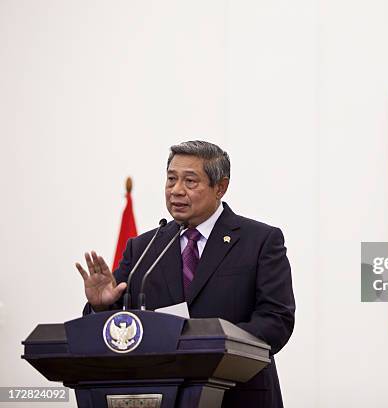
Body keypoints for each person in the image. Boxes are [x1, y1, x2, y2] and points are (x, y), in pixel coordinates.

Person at [75, 141, 295, 408]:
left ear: (220, 187)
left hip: (238, 395)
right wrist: (102, 305)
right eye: (171, 180)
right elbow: (121, 330)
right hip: (163, 395)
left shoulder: (259, 240)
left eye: (190, 181)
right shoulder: (143, 248)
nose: (176, 190)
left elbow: (276, 321)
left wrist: (215, 344)